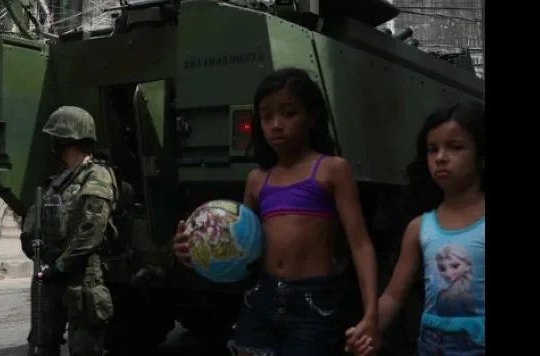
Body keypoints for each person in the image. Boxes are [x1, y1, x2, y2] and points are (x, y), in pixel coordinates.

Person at [173, 67, 380, 356]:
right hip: (261, 298)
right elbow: (239, 247)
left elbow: (360, 245)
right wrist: (194, 251)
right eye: (267, 116)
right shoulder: (258, 179)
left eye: (288, 113)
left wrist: (372, 315)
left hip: (312, 303)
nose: (276, 124)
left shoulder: (332, 170)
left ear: (313, 116)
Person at [346, 101, 485, 356]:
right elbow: (393, 296)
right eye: (433, 149)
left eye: (456, 147)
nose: (441, 158)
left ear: (481, 157)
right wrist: (370, 325)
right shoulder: (420, 227)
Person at [21, 105, 117, 356]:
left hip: (81, 276)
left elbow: (91, 231)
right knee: (41, 346)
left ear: (66, 139)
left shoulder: (97, 175)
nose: (52, 143)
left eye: (55, 137)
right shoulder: (59, 179)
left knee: (84, 348)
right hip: (51, 275)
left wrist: (61, 266)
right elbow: (35, 213)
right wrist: (28, 238)